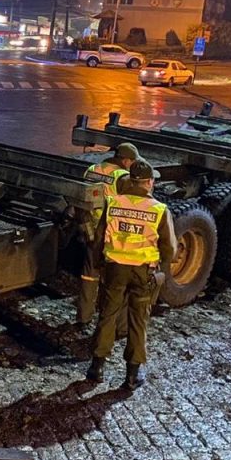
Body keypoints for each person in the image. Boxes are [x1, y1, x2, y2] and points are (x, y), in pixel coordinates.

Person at [86, 159, 176, 391]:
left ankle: (96, 368)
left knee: (108, 314)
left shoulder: (113, 203)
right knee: (138, 320)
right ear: (148, 182)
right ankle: (133, 375)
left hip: (115, 269)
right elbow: (170, 250)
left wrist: (98, 264)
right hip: (143, 273)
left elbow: (99, 237)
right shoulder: (158, 209)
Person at [77, 143, 138, 326]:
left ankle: (83, 317)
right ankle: (112, 322)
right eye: (132, 162)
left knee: (89, 275)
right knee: (115, 279)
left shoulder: (92, 169)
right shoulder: (122, 176)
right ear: (126, 160)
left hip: (90, 228)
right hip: (111, 231)